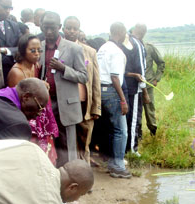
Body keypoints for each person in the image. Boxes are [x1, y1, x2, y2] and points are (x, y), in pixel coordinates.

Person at [39, 11, 88, 167]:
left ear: (59, 27)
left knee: (67, 145)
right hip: (45, 104)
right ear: (41, 27)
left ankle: (71, 178)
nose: (48, 32)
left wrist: (63, 68)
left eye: (52, 28)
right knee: (46, 143)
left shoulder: (74, 48)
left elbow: (83, 76)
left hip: (66, 105)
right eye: (45, 28)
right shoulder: (39, 47)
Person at [7, 34, 59, 164]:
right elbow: (17, 103)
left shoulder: (35, 66)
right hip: (28, 121)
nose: (37, 54)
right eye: (32, 50)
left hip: (41, 118)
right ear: (23, 50)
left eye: (39, 50)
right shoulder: (17, 72)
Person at [63, 16, 101, 164]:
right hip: (65, 104)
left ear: (79, 30)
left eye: (75, 28)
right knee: (68, 143)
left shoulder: (89, 52)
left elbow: (95, 81)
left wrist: (96, 107)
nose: (72, 31)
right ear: (63, 29)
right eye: (68, 28)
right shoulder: (58, 50)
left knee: (84, 141)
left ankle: (84, 175)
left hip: (84, 104)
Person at [97, 22, 131, 178]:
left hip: (101, 90)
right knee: (121, 131)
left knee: (111, 129)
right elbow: (115, 77)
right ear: (122, 32)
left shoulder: (103, 49)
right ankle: (117, 165)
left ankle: (112, 163)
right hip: (111, 90)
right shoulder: (116, 51)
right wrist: (123, 100)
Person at [120, 28, 147, 155]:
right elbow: (141, 70)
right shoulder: (137, 44)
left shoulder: (120, 42)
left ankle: (124, 148)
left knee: (125, 118)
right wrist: (144, 90)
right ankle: (132, 149)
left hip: (121, 85)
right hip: (133, 87)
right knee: (134, 119)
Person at [136, 27, 165, 136]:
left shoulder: (149, 47)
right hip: (134, 86)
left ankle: (153, 132)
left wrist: (156, 79)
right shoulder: (130, 47)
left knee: (149, 110)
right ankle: (138, 134)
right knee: (136, 112)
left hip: (148, 84)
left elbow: (161, 63)